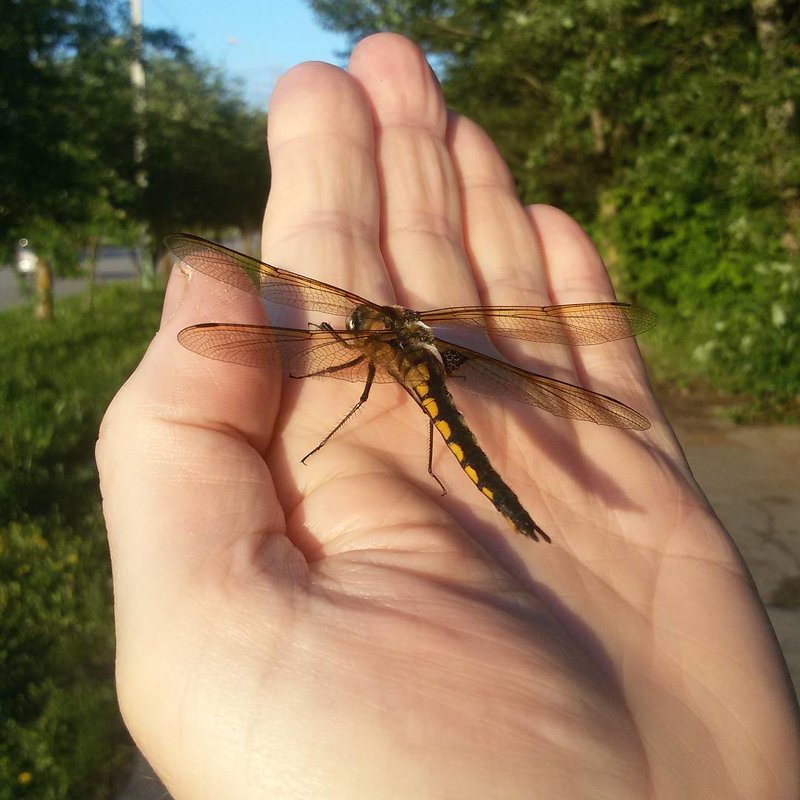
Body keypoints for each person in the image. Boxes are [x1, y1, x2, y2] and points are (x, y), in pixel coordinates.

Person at [96, 33, 799, 799]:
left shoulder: (371, 345)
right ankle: (500, 496)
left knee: (436, 427)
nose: (355, 324)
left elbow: (340, 364)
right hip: (443, 371)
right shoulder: (412, 330)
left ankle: (500, 500)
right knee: (446, 423)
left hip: (435, 387)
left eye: (360, 320)